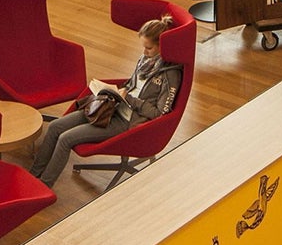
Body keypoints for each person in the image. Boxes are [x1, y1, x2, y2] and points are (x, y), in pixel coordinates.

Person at [31, 17, 181, 187]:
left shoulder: (170, 75)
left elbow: (159, 114)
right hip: (112, 107)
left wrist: (129, 99)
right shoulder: (145, 60)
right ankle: (33, 175)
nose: (144, 52)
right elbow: (132, 85)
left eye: (149, 48)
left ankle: (44, 185)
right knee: (54, 127)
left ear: (163, 46)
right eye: (143, 47)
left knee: (65, 139)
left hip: (127, 121)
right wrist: (113, 91)